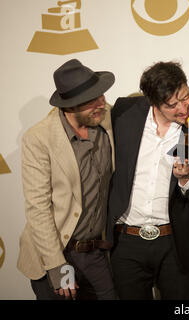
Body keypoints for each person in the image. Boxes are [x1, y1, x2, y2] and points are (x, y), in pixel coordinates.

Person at [107, 61, 189, 300]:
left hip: (174, 243)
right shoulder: (123, 112)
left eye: (185, 96)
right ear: (153, 103)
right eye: (172, 105)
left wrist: (186, 180)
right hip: (126, 242)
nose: (183, 107)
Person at [17, 59, 117, 300]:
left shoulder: (105, 117)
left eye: (101, 95)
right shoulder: (39, 139)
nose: (101, 103)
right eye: (91, 101)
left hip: (96, 252)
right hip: (57, 252)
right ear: (70, 106)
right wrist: (57, 267)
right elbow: (38, 208)